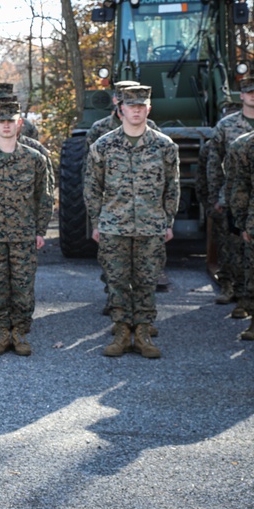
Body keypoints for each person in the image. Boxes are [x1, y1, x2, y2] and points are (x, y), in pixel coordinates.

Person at [85, 85, 179, 359]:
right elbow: (92, 188)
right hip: (114, 225)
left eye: (142, 106)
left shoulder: (164, 146)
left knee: (147, 280)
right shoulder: (103, 145)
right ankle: (122, 330)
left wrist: (168, 221)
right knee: (117, 280)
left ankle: (143, 332)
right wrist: (96, 222)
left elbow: (172, 188)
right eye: (131, 105)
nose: (136, 110)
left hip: (151, 225)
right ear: (120, 109)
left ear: (149, 109)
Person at [0, 100, 53, 356]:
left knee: (24, 287)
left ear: (19, 124)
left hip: (24, 234)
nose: (6, 126)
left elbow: (44, 196)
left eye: (10, 121)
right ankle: (2, 331)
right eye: (1, 121)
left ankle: (20, 332)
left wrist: (40, 230)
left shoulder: (34, 158)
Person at [207, 76, 254, 316]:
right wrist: (217, 196)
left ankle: (252, 300)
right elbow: (213, 162)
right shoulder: (226, 126)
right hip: (233, 196)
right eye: (249, 92)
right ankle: (234, 290)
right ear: (241, 96)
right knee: (233, 247)